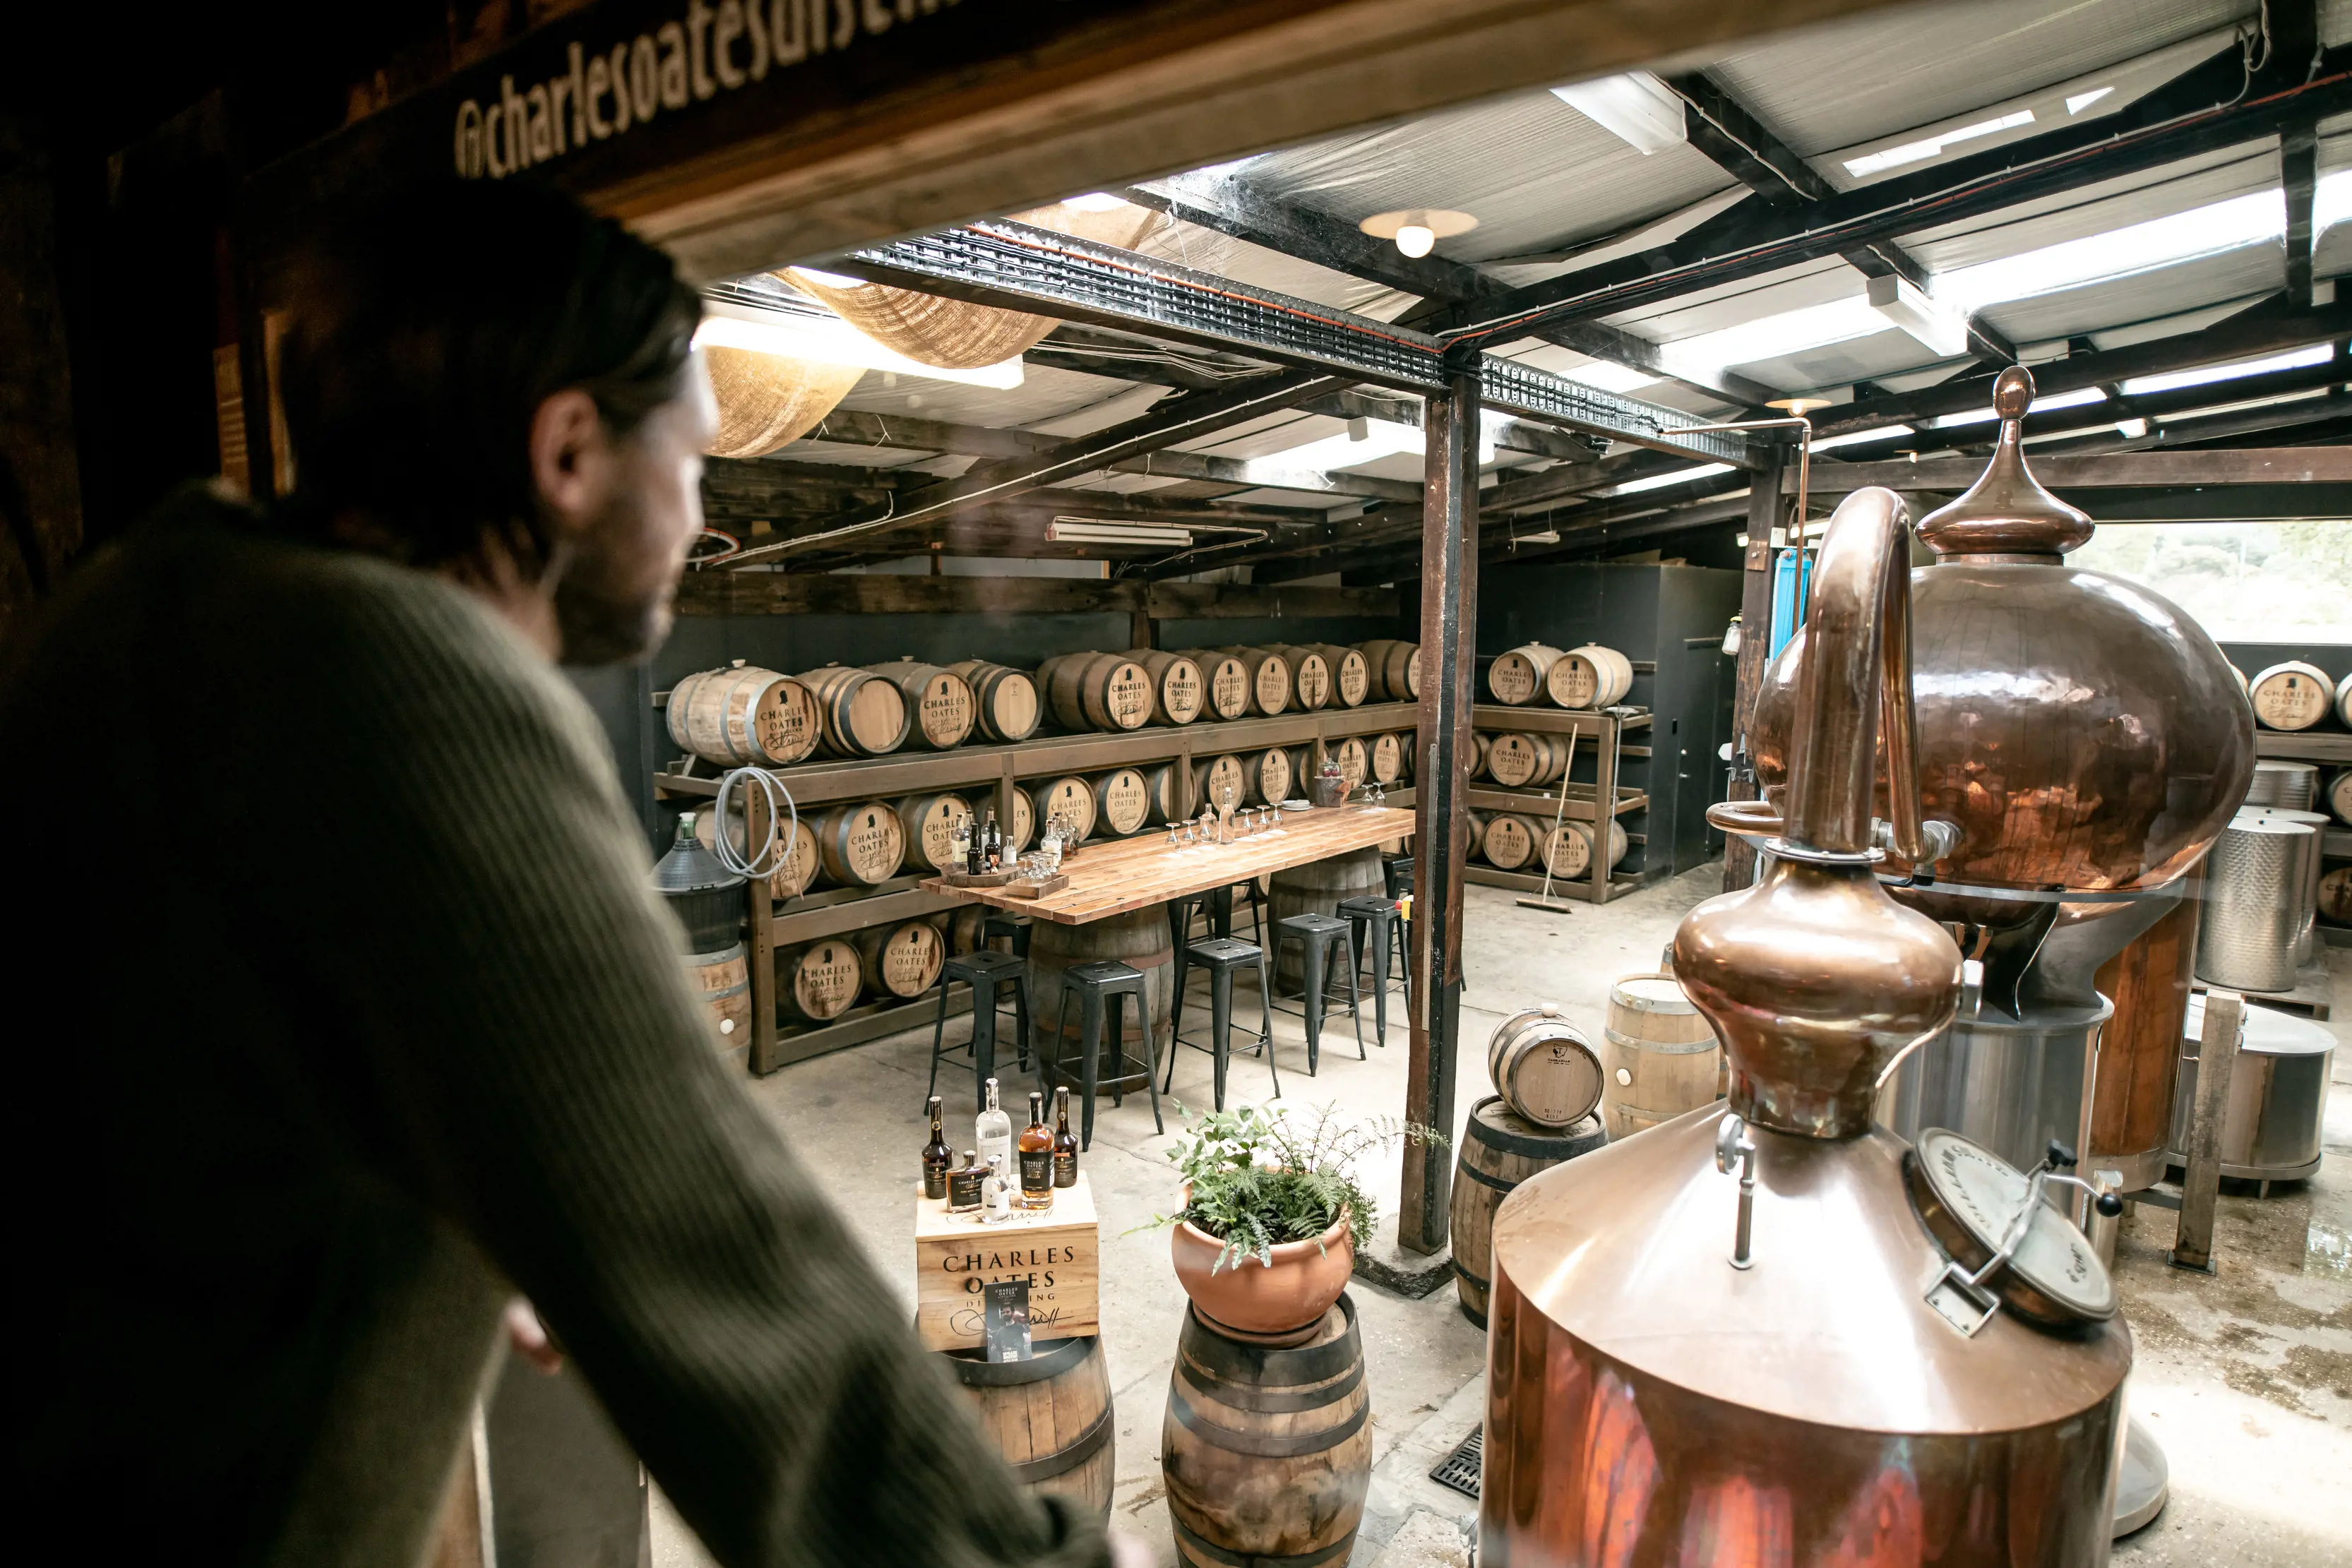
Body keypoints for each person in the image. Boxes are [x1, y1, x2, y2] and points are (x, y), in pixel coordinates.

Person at [2, 181, 1132, 1568]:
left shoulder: (133, 609)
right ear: (568, 454)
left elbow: (226, 1080)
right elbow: (722, 1265)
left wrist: (476, 1213)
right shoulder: (409, 697)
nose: (706, 515)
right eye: (695, 463)